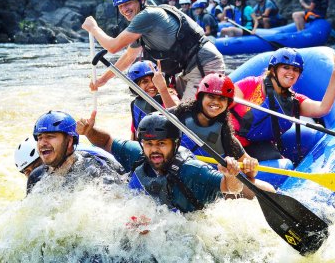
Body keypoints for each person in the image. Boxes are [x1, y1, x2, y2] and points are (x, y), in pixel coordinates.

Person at [77, 111, 274, 213]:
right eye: (149, 143)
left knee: (264, 191)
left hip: (192, 213)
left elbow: (229, 188)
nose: (154, 149)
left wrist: (231, 175)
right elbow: (106, 142)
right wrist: (89, 132)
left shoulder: (192, 170)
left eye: (162, 143)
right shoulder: (137, 153)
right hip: (156, 211)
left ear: (175, 144)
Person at [81, 0, 225, 101]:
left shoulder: (147, 16)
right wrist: (103, 79)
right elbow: (129, 57)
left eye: (128, 3)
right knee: (171, 104)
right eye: (120, 6)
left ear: (142, 0)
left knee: (184, 116)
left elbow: (112, 47)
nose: (124, 9)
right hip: (189, 69)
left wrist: (93, 28)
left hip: (203, 63)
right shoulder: (143, 26)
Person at [230, 48, 335, 164]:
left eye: (295, 69)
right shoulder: (250, 84)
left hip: (257, 145)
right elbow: (224, 105)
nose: (291, 72)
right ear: (273, 70)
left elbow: (323, 108)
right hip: (230, 141)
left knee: (283, 164)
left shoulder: (294, 101)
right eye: (286, 67)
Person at [26, 110, 124, 194]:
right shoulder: (36, 177)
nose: (42, 143)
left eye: (50, 136)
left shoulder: (95, 170)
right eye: (39, 138)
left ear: (69, 141)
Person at [128, 59, 180, 140]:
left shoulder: (170, 96)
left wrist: (163, 89)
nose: (152, 84)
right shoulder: (135, 104)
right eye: (145, 82)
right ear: (135, 87)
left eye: (154, 80)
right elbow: (134, 134)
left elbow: (179, 119)